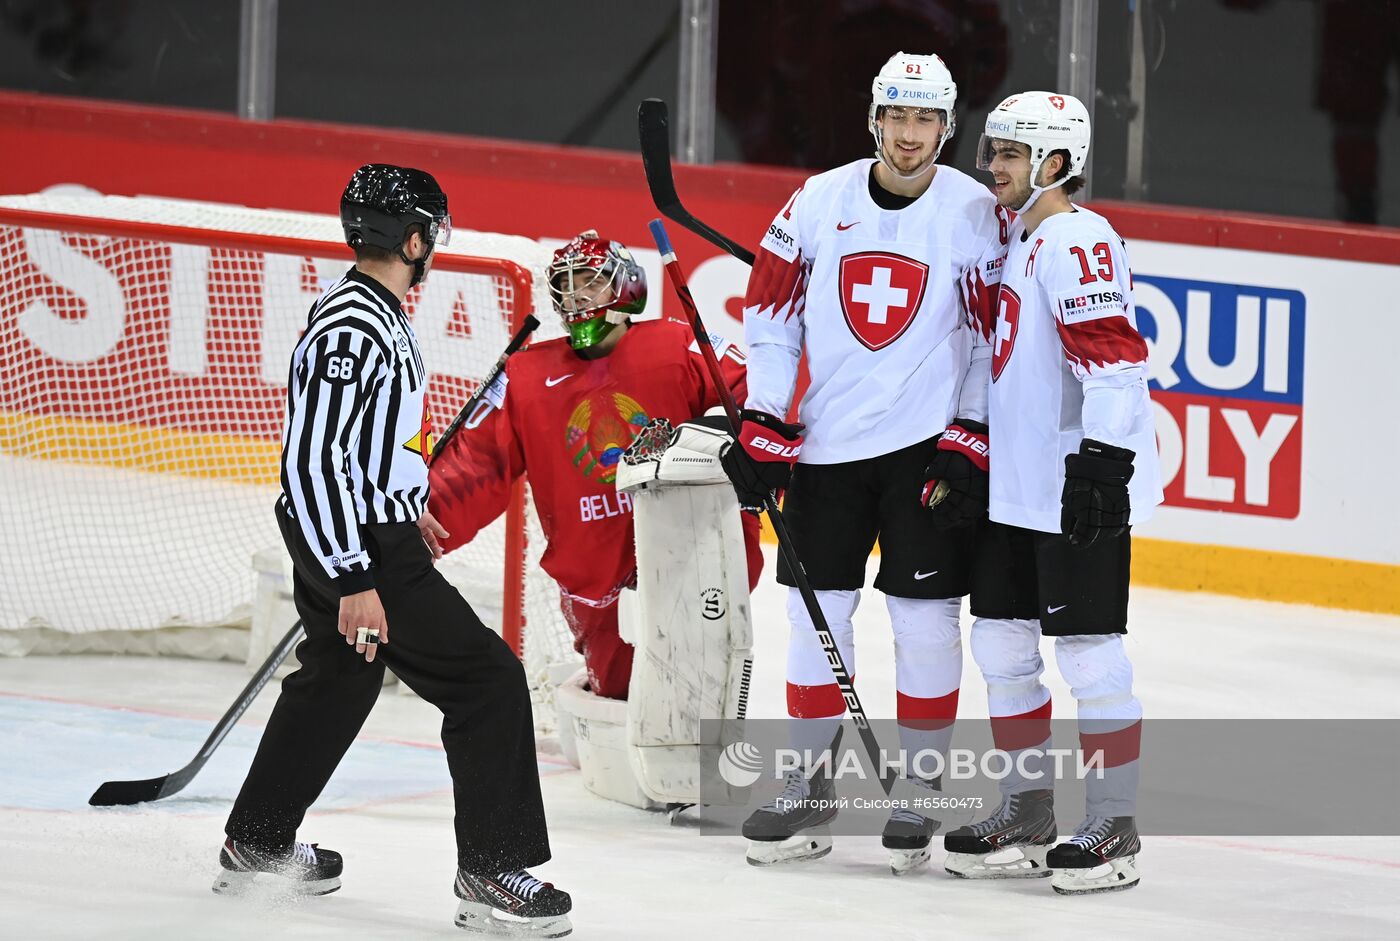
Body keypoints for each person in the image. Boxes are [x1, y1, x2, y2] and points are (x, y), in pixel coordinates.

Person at [215, 164, 572, 936]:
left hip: (365, 532)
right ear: (412, 238)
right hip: (358, 549)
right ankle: (491, 871)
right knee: (487, 681)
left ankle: (258, 838)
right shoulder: (356, 324)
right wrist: (356, 573)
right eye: (430, 234)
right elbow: (313, 464)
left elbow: (364, 451)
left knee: (340, 676)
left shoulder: (368, 309)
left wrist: (404, 503)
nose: (432, 248)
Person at [721, 52, 1005, 871]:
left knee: (923, 622)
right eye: (896, 116)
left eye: (925, 120)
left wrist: (971, 430)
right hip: (828, 448)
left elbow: (992, 334)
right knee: (817, 615)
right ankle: (809, 783)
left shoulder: (975, 212)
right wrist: (768, 418)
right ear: (873, 118)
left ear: (947, 127)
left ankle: (918, 788)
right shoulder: (819, 198)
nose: (909, 135)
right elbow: (770, 310)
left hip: (924, 449)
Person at [937, 92, 1160, 895]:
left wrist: (1102, 463)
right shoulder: (1019, 239)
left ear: (1054, 164)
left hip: (1072, 488)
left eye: (1008, 154)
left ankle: (1114, 824)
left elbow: (1115, 361)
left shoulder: (1076, 238)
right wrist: (971, 449)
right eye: (991, 151)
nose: (990, 166)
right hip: (1016, 490)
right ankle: (1027, 808)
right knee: (1000, 645)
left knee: (1091, 656)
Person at [429, 230, 763, 701]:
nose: (576, 296)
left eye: (590, 282)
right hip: (593, 579)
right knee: (621, 695)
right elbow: (477, 462)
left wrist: (743, 452)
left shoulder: (675, 345)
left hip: (692, 560)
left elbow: (760, 396)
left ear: (625, 289)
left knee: (704, 691)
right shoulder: (527, 378)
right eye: (566, 286)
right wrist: (422, 520)